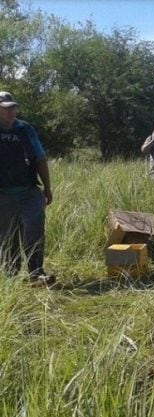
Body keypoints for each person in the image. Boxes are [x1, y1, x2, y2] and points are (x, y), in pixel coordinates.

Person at [0, 91, 55, 286]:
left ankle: (36, 273)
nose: (11, 111)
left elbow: (40, 158)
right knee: (7, 238)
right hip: (3, 195)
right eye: (6, 108)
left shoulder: (25, 129)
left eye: (13, 107)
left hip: (29, 190)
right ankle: (11, 277)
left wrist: (47, 188)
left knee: (34, 230)